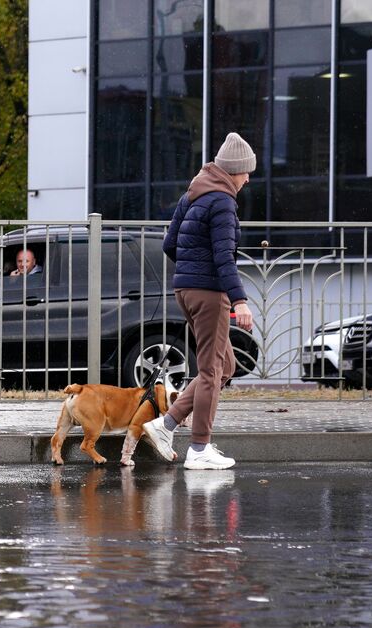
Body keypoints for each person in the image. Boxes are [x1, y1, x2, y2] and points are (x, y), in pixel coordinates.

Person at [143, 132, 257, 471]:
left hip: (186, 289)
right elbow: (224, 257)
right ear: (233, 170)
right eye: (246, 172)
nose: (248, 179)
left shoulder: (192, 194)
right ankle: (199, 449)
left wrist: (192, 271)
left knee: (226, 367)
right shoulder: (222, 200)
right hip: (209, 294)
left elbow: (169, 245)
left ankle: (164, 425)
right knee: (210, 370)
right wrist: (240, 301)